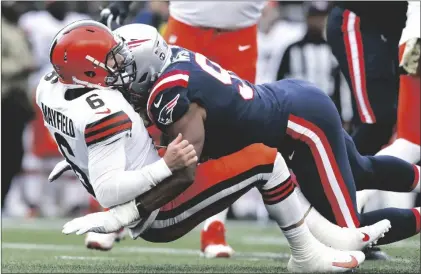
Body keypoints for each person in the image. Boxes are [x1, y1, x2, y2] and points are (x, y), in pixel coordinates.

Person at [42, 20, 384, 273]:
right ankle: (307, 255)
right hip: (156, 208)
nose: (121, 64)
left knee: (256, 157)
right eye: (111, 60)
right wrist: (151, 180)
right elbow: (109, 189)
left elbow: (91, 140)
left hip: (146, 183)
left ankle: (330, 238)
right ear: (88, 72)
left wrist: (80, 159)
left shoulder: (52, 89)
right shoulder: (107, 108)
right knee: (266, 159)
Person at [97, 23, 419, 247]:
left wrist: (128, 212)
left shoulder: (169, 92)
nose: (117, 75)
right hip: (294, 102)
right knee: (362, 170)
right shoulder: (170, 63)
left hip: (301, 126)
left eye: (123, 65)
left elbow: (185, 172)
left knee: (346, 234)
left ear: (147, 63)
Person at [99, 0, 266, 257]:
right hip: (186, 26)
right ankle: (119, 211)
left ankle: (214, 227)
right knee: (148, 118)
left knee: (230, 130)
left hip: (240, 32)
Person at [326, 1, 408, 156]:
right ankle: (341, 174)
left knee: (403, 119)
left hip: (395, 31)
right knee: (376, 118)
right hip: (358, 19)